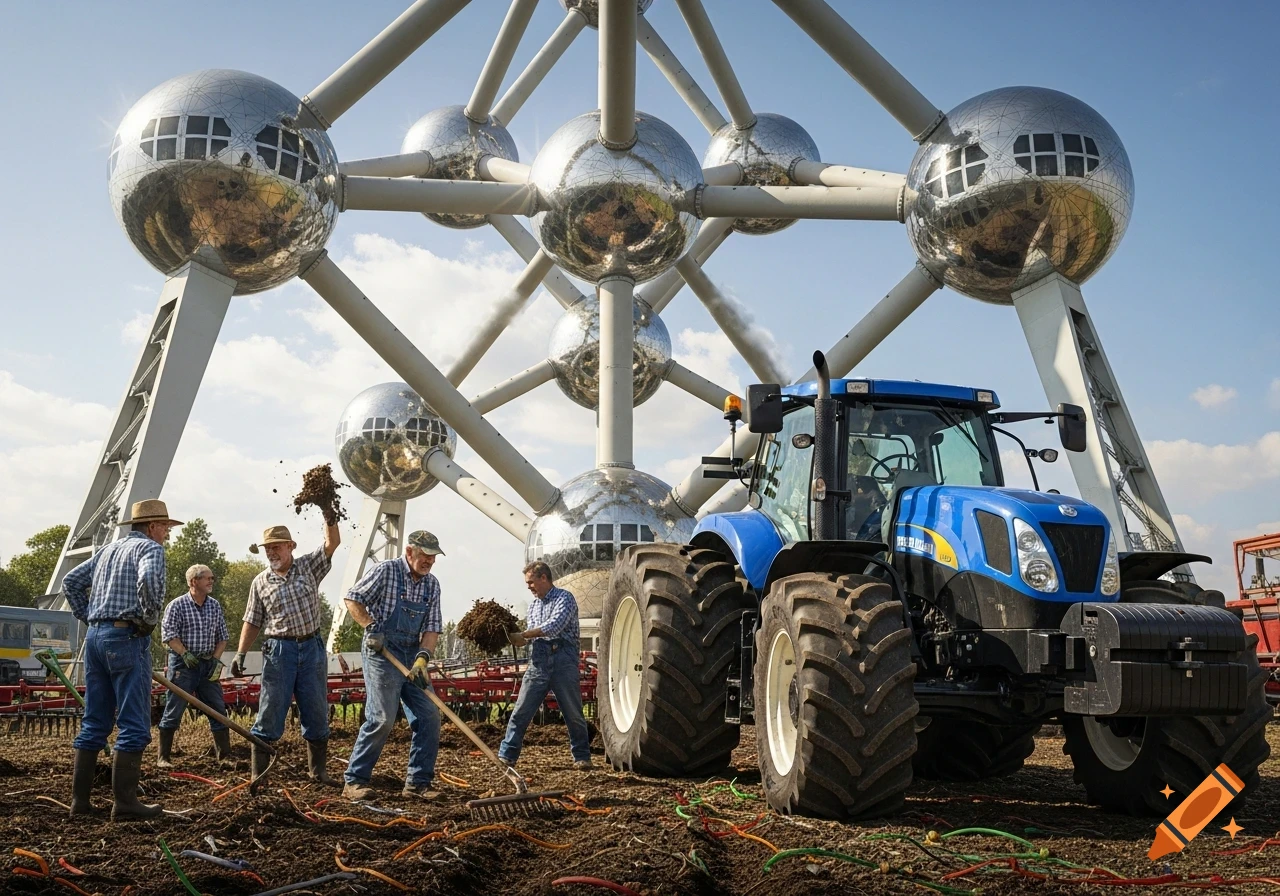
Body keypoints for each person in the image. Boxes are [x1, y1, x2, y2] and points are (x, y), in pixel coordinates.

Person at [63, 498, 182, 820]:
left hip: (96, 639)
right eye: (166, 528)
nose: (168, 534)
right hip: (127, 637)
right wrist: (149, 619)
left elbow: (70, 582)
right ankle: (126, 803)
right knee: (133, 724)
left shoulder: (108, 551)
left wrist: (89, 616)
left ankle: (80, 804)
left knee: (94, 722)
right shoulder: (150, 550)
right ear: (154, 526)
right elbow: (150, 581)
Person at [230, 520, 340, 791]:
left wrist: (328, 513)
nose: (271, 553)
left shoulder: (307, 567)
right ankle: (259, 776)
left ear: (290, 546)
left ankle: (318, 773)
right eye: (267, 549)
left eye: (276, 547)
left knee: (315, 709)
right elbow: (252, 620)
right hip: (279, 651)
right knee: (270, 710)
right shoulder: (260, 582)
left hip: (311, 648)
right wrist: (241, 653)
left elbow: (332, 543)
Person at [340, 530, 444, 801]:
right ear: (409, 552)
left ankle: (418, 783)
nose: (429, 562)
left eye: (433, 557)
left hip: (412, 654)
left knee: (430, 716)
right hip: (382, 650)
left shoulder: (432, 585)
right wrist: (370, 627)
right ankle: (354, 781)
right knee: (383, 717)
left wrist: (423, 659)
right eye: (424, 556)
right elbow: (353, 598)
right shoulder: (386, 571)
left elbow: (432, 629)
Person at [499, 561, 592, 771]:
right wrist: (519, 639)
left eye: (531, 582)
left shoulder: (564, 598)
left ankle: (582, 756)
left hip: (563, 659)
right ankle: (507, 755)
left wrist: (524, 635)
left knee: (573, 713)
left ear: (544, 578)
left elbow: (554, 626)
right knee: (521, 710)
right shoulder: (534, 606)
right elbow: (534, 634)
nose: (529, 587)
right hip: (539, 660)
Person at [157, 564, 231, 768]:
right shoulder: (177, 606)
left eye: (212, 578)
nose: (211, 582)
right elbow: (170, 636)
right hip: (183, 664)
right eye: (207, 578)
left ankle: (224, 757)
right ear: (193, 582)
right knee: (174, 709)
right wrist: (184, 653)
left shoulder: (214, 605)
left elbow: (222, 637)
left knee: (217, 709)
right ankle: (163, 758)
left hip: (207, 663)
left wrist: (215, 660)